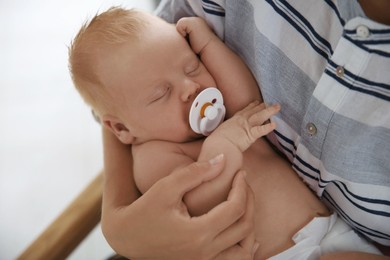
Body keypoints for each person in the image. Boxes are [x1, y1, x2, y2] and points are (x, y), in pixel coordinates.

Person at [69, 7, 386, 259]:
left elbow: (248, 100)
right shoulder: (153, 155)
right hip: (279, 253)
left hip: (333, 230)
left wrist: (208, 45)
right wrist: (224, 145)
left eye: (192, 66)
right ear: (123, 129)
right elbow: (199, 198)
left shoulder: (224, 116)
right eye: (161, 93)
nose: (190, 88)